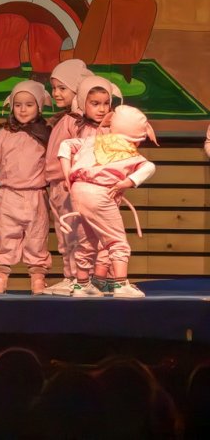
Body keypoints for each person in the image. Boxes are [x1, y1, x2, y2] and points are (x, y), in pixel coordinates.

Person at [58, 105, 157, 298]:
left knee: (87, 240)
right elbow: (149, 167)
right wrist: (126, 182)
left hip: (78, 191)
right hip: (100, 194)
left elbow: (65, 145)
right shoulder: (130, 152)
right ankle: (120, 284)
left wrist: (67, 173)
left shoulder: (92, 141)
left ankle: (82, 285)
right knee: (116, 240)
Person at [0, 80, 52, 295]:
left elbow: (54, 163)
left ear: (39, 106)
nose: (23, 109)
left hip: (36, 195)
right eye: (18, 105)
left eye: (29, 104)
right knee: (4, 236)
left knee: (37, 238)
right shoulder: (3, 134)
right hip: (9, 195)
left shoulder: (46, 134)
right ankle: (0, 278)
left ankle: (38, 279)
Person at [43, 59, 94, 296]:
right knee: (65, 233)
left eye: (62, 88)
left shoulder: (77, 121)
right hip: (58, 184)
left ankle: (79, 277)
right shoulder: (65, 119)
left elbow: (83, 152)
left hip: (70, 184)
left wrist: (72, 178)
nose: (56, 93)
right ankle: (71, 275)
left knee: (75, 231)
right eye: (54, 88)